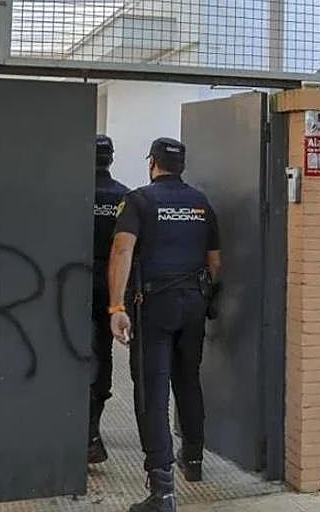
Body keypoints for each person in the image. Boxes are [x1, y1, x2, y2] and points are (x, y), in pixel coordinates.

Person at [107, 138, 221, 512]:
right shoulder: (201, 203)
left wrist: (116, 305)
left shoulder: (138, 201)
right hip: (194, 303)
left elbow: (123, 249)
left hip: (154, 306)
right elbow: (215, 263)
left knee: (152, 392)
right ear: (181, 166)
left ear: (153, 163)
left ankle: (162, 491)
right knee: (188, 381)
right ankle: (195, 461)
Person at [88, 135, 128, 464]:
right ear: (111, 159)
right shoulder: (124, 197)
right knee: (102, 354)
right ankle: (91, 432)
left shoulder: (70, 191)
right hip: (109, 286)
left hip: (69, 284)